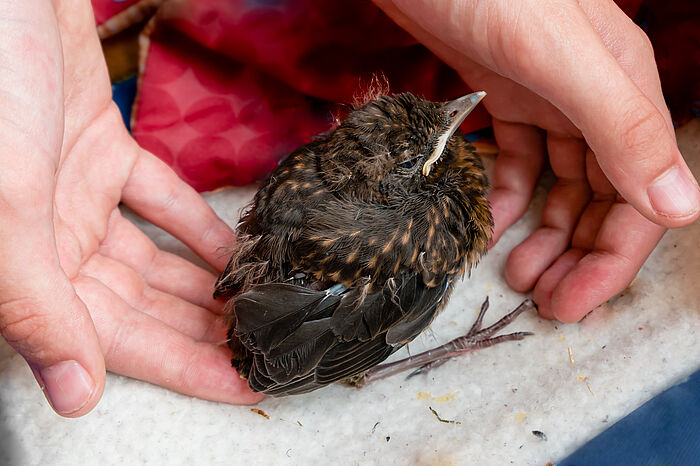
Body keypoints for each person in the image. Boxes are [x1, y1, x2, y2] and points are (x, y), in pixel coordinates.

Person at [0, 0, 697, 418]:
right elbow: (364, 329)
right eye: (434, 141)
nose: (459, 113)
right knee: (382, 332)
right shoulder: (425, 238)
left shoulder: (331, 171)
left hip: (293, 253)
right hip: (300, 311)